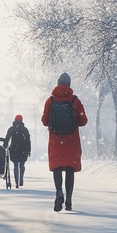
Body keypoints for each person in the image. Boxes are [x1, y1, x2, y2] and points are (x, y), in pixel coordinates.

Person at [41, 72, 88, 211]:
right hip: (71, 140)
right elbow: (83, 120)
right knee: (69, 168)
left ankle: (59, 192)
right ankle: (69, 200)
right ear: (69, 84)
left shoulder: (50, 101)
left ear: (58, 83)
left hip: (56, 140)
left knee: (56, 166)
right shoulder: (75, 101)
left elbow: (44, 121)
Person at [3, 114, 31, 188]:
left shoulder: (11, 129)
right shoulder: (25, 129)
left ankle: (16, 182)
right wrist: (29, 150)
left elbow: (7, 138)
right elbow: (28, 140)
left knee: (15, 165)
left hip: (14, 149)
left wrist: (5, 145)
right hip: (23, 149)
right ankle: (21, 178)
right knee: (22, 165)